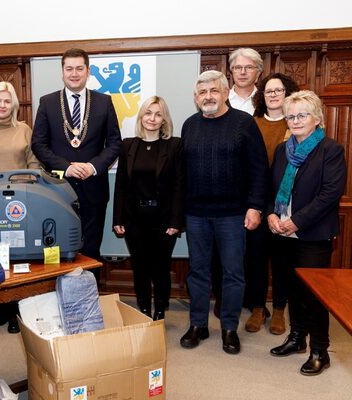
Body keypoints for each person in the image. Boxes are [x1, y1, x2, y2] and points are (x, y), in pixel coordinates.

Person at [179, 70, 268, 355]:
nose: (208, 97)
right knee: (198, 272)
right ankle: (198, 325)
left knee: (233, 273)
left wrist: (255, 206)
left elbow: (258, 169)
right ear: (196, 97)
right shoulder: (189, 125)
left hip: (232, 214)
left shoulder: (244, 124)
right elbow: (183, 174)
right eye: (202, 92)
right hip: (196, 214)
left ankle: (229, 328)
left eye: (213, 91)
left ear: (226, 92)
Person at [268, 90, 347, 376]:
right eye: (291, 116)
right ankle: (297, 338)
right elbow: (272, 188)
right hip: (280, 232)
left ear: (317, 118)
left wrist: (296, 221)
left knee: (312, 295)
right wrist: (271, 214)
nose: (296, 120)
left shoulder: (331, 150)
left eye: (302, 115)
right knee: (289, 288)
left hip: (312, 234)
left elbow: (330, 194)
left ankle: (319, 350)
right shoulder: (282, 150)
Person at [31, 48, 122, 277]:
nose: (74, 73)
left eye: (79, 68)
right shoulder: (48, 102)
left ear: (88, 71)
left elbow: (114, 143)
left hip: (94, 187)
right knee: (55, 245)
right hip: (58, 188)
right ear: (62, 72)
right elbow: (38, 144)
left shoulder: (104, 102)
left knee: (91, 248)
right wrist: (67, 167)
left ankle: (90, 300)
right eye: (69, 68)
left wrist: (93, 166)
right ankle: (55, 296)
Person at [0, 81, 40, 333]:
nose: (2, 105)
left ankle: (18, 310)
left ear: (13, 105)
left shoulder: (24, 130)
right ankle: (1, 308)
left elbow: (34, 164)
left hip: (19, 203)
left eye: (7, 101)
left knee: (19, 255)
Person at [112, 96, 184, 320]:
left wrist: (176, 221)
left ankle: (160, 311)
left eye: (158, 114)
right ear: (141, 117)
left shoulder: (174, 145)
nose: (152, 118)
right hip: (135, 219)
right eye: (148, 113)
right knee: (140, 268)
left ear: (164, 119)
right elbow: (121, 184)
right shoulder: (128, 145)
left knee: (161, 268)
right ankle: (143, 310)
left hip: (163, 220)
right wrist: (118, 218)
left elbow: (180, 186)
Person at [244, 73, 300, 334]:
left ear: (288, 94)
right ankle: (258, 307)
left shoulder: (296, 126)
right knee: (254, 259)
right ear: (261, 95)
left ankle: (278, 310)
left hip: (285, 207)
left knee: (282, 262)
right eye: (269, 91)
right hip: (255, 202)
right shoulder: (250, 123)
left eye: (279, 90)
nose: (274, 95)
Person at [228, 47, 263, 115]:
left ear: (258, 73)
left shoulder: (266, 100)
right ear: (232, 72)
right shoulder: (222, 99)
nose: (243, 72)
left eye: (249, 67)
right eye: (238, 67)